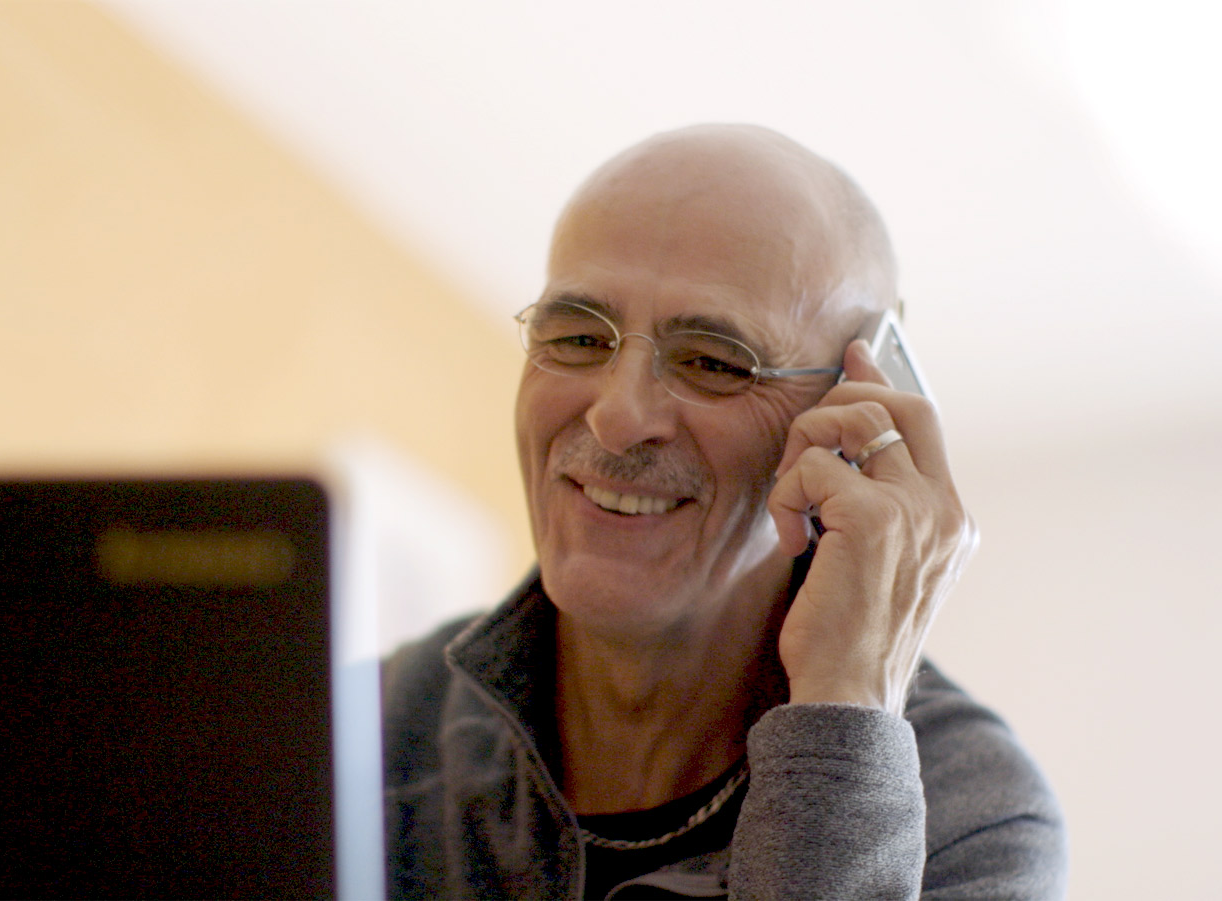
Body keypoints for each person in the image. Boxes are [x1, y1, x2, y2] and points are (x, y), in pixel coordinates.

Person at [383, 124, 1066, 899]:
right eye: (576, 337)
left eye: (713, 362)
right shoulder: (356, 733)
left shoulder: (974, 818)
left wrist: (844, 718)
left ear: (854, 411)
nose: (616, 416)